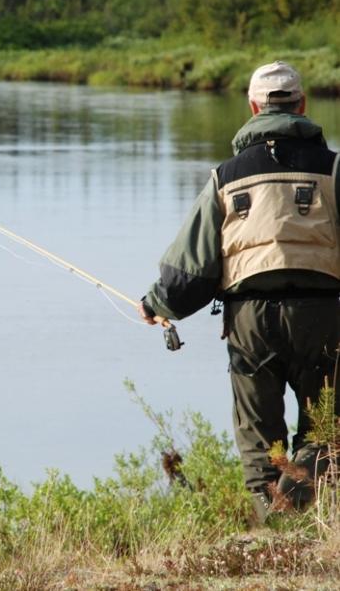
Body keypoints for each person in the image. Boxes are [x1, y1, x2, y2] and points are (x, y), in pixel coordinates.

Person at [138, 61, 340, 523]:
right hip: (323, 316)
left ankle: (277, 530)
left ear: (252, 108)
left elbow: (191, 268)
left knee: (260, 439)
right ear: (302, 106)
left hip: (249, 322)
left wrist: (156, 303)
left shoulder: (225, 176)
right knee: (324, 432)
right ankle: (303, 526)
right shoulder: (334, 169)